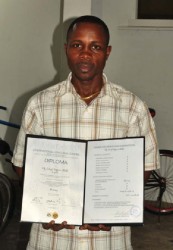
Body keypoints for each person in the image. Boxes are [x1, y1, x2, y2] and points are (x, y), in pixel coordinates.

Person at [12, 15, 160, 250]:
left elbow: (145, 164)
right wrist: (43, 203)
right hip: (52, 240)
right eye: (77, 45)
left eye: (96, 47)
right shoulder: (39, 105)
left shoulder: (132, 107)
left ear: (108, 52)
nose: (85, 54)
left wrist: (115, 208)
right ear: (66, 49)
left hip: (109, 240)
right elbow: (22, 162)